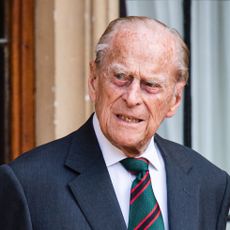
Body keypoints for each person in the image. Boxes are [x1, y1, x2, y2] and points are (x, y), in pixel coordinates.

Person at [0, 16, 229, 230]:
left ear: (175, 100)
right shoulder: (27, 184)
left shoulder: (210, 184)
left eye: (150, 85)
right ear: (94, 80)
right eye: (120, 77)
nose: (132, 98)